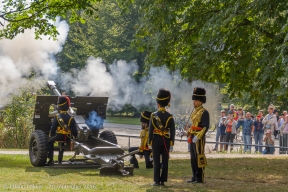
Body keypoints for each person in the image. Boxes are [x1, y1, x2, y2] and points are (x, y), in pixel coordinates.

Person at [148, 89, 175, 186]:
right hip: (166, 141)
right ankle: (163, 181)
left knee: (156, 161)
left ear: (158, 103)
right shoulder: (170, 116)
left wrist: (149, 142)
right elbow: (173, 131)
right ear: (167, 103)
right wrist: (172, 142)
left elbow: (150, 130)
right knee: (165, 161)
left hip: (156, 140)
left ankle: (156, 181)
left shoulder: (153, 115)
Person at [187, 87, 210, 183]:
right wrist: (188, 132)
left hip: (199, 138)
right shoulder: (195, 111)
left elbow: (205, 127)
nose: (194, 103)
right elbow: (193, 125)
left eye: (195, 101)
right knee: (193, 157)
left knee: (199, 156)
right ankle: (194, 176)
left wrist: (198, 136)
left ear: (200, 102)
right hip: (192, 136)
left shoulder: (204, 112)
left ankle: (200, 177)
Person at [47, 96, 78, 165]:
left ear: (59, 107)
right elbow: (75, 130)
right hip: (68, 137)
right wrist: (74, 137)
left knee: (49, 141)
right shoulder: (71, 117)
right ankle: (60, 160)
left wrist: (51, 135)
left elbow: (53, 128)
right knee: (63, 144)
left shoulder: (57, 116)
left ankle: (51, 159)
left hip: (59, 136)